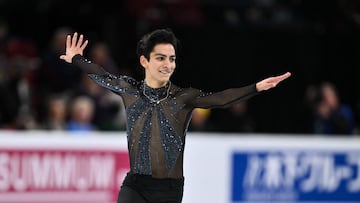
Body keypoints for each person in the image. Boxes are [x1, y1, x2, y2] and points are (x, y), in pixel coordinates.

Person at [59, 29, 291, 203]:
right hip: (135, 186)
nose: (168, 64)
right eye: (161, 58)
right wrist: (77, 59)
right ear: (144, 61)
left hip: (168, 191)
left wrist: (256, 87)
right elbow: (101, 75)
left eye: (172, 59)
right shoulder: (130, 90)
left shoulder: (183, 98)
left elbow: (221, 99)